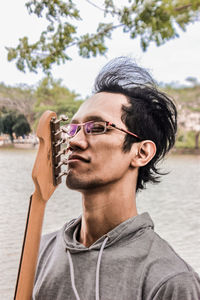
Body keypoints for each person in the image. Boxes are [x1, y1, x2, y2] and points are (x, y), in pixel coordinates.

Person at [32, 57, 200, 300]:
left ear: (142, 152)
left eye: (98, 127)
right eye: (73, 129)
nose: (75, 141)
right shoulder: (39, 252)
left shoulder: (170, 280)